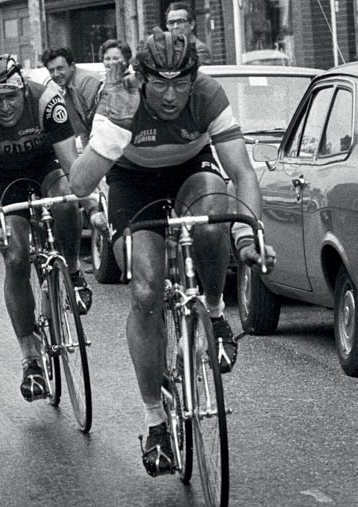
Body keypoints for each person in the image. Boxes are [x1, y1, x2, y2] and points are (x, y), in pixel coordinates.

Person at [70, 29, 276, 475]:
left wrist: (248, 237)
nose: (170, 95)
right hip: (132, 182)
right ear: (141, 78)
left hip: (190, 172)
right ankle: (155, 421)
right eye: (159, 83)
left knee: (212, 203)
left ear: (192, 78)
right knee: (145, 291)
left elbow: (242, 171)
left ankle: (215, 311)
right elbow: (81, 184)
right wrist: (115, 126)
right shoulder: (121, 97)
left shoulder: (207, 94)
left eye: (180, 83)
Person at [0, 54, 93, 402]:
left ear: (22, 89)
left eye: (11, 97)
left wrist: (94, 203)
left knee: (66, 195)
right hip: (6, 182)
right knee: (16, 257)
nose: (4, 107)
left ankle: (74, 271)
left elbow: (71, 165)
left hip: (44, 167)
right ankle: (31, 360)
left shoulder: (48, 100)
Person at [40, 47, 101, 149]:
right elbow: (82, 129)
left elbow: (98, 124)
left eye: (60, 68)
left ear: (72, 66)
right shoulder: (67, 87)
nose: (56, 74)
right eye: (51, 70)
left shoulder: (86, 81)